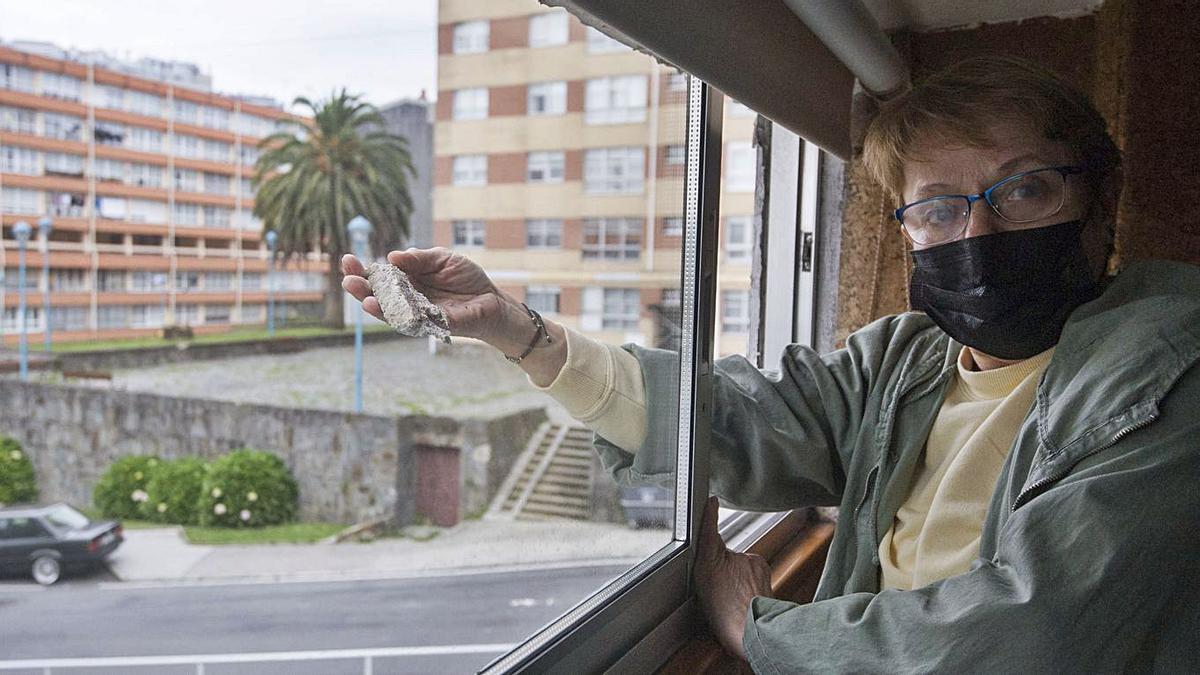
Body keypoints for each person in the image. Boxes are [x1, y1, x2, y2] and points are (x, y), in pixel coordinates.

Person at [342, 55, 1200, 672]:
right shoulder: (905, 361)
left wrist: (752, 624)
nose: (976, 236)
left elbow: (1019, 640)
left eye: (1023, 190)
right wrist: (520, 333)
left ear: (1100, 202)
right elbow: (732, 419)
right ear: (905, 230)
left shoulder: (1169, 373)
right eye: (937, 208)